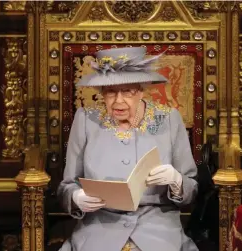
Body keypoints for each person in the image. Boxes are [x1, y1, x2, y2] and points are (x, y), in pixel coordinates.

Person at [57, 47, 199, 251]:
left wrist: (177, 181)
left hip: (157, 228)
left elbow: (191, 189)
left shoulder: (168, 118)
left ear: (142, 90)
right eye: (111, 92)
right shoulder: (86, 119)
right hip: (100, 227)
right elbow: (67, 186)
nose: (118, 101)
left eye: (127, 91)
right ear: (102, 93)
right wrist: (76, 197)